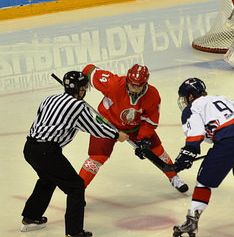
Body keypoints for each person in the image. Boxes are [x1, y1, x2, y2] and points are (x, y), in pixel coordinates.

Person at [21, 71, 128, 237]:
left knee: (47, 180)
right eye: (84, 87)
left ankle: (31, 217)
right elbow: (94, 128)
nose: (85, 90)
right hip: (47, 152)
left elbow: (43, 120)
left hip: (29, 148)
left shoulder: (49, 99)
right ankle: (74, 232)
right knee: (76, 187)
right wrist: (116, 135)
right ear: (80, 89)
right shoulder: (78, 107)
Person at [172, 78, 234, 237]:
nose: (184, 101)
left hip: (228, 140)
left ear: (190, 96)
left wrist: (186, 155)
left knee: (203, 182)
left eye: (185, 98)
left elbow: (195, 134)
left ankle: (191, 222)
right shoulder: (221, 98)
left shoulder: (192, 108)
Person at [77, 63, 189, 193]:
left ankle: (174, 177)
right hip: (107, 123)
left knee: (157, 150)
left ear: (145, 83)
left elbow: (149, 121)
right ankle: (77, 190)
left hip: (135, 127)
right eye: (132, 85)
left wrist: (144, 140)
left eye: (138, 86)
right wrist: (79, 86)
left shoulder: (152, 94)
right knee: (97, 157)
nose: (134, 89)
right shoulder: (113, 84)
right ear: (127, 80)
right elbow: (90, 70)